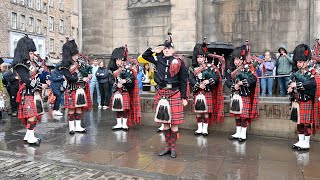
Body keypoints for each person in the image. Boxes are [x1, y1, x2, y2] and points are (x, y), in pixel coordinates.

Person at [142, 35, 188, 158]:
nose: (166, 50)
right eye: (165, 48)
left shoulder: (179, 62)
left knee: (174, 124)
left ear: (173, 50)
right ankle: (167, 147)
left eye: (169, 48)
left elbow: (183, 81)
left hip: (174, 93)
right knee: (165, 123)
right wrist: (154, 50)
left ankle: (173, 148)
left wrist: (184, 97)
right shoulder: (159, 59)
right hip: (162, 93)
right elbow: (145, 57)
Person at [12, 35, 47, 145]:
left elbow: (35, 77)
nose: (32, 55)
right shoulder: (21, 65)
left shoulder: (30, 64)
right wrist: (40, 85)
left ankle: (28, 136)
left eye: (32, 52)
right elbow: (27, 81)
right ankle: (31, 138)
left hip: (33, 93)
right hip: (27, 93)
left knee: (34, 115)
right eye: (30, 53)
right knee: (31, 116)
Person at [288, 44, 320, 150]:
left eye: (301, 61)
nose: (298, 64)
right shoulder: (296, 73)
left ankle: (306, 143)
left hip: (306, 101)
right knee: (299, 122)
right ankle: (300, 141)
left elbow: (311, 84)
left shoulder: (311, 73)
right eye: (297, 61)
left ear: (306, 61)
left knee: (306, 123)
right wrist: (290, 88)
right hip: (297, 101)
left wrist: (296, 85)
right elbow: (291, 84)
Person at [225, 45, 260, 142]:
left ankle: (243, 134)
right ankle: (238, 132)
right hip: (235, 94)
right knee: (237, 115)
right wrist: (233, 86)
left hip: (244, 95)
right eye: (235, 59)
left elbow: (253, 79)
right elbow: (227, 80)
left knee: (243, 116)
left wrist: (241, 83)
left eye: (237, 59)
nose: (235, 62)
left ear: (242, 59)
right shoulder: (232, 69)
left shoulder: (248, 68)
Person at [189, 43, 224, 136]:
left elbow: (217, 76)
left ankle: (205, 129)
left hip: (207, 92)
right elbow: (191, 79)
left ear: (204, 58)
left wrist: (209, 81)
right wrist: (198, 85)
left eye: (201, 57)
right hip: (198, 92)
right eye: (198, 57)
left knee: (206, 113)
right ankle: (199, 129)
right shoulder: (194, 69)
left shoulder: (210, 67)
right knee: (198, 113)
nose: (200, 59)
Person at [60, 39, 92, 135]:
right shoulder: (65, 65)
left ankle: (78, 126)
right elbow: (70, 78)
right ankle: (71, 127)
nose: (76, 56)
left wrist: (88, 74)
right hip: (71, 89)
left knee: (79, 108)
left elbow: (86, 70)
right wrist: (83, 79)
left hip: (80, 89)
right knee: (71, 109)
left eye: (76, 55)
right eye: (74, 55)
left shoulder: (79, 63)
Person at [109, 46, 141, 131]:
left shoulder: (128, 70)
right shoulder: (113, 71)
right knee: (118, 108)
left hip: (125, 91)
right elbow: (111, 81)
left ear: (123, 60)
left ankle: (124, 124)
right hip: (117, 92)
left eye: (119, 60)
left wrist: (125, 81)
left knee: (125, 109)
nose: (118, 62)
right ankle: (119, 124)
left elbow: (132, 80)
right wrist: (116, 84)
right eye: (116, 60)